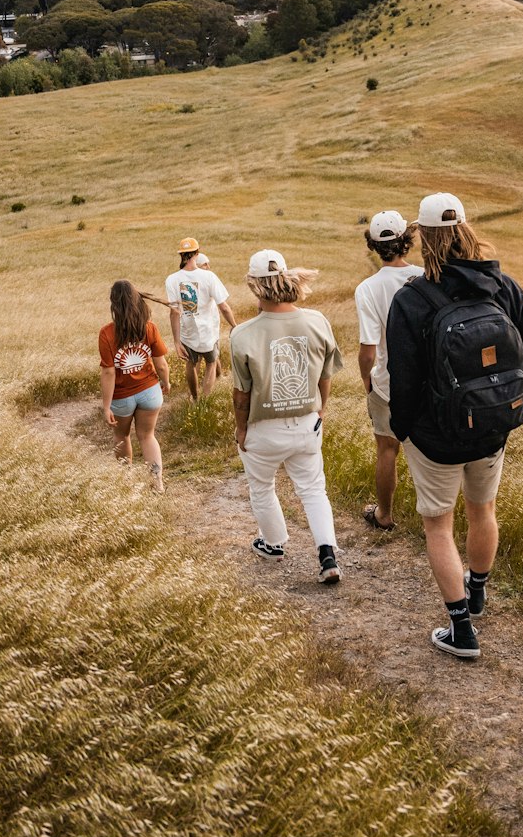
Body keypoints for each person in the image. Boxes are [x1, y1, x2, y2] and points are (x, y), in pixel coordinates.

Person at [387, 194, 523, 659]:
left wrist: (404, 429)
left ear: (422, 238)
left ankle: (461, 630)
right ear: (467, 230)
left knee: (438, 527)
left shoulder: (411, 300)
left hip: (434, 439)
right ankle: (477, 593)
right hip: (492, 427)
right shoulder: (505, 287)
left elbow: (405, 381)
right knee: (483, 511)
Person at [230, 249, 344, 584]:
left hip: (262, 428)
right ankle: (327, 554)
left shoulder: (243, 334)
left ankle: (274, 543)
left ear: (254, 286)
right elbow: (326, 375)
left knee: (262, 486)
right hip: (307, 422)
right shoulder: (317, 320)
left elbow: (242, 393)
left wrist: (240, 428)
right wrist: (320, 407)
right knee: (312, 489)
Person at [354, 209, 424, 531]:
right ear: (406, 240)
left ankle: (384, 514)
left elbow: (367, 351)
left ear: (374, 245)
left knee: (386, 449)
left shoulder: (367, 289)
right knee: (429, 450)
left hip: (387, 382)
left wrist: (368, 382)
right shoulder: (425, 277)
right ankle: (435, 519)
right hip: (426, 380)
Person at [98, 279, 172, 486]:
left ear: (114, 304)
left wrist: (106, 406)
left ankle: (126, 482)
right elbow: (161, 364)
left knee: (122, 437)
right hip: (150, 391)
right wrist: (165, 382)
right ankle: (157, 484)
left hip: (122, 397)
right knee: (148, 436)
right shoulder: (149, 327)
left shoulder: (107, 333)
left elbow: (108, 373)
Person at [165, 237, 237, 400]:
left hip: (187, 331)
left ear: (181, 255)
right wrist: (234, 325)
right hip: (208, 331)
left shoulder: (172, 279)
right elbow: (223, 306)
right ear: (197, 254)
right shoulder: (208, 277)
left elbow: (174, 312)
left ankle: (195, 398)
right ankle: (204, 400)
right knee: (211, 363)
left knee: (191, 363)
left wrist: (176, 342)